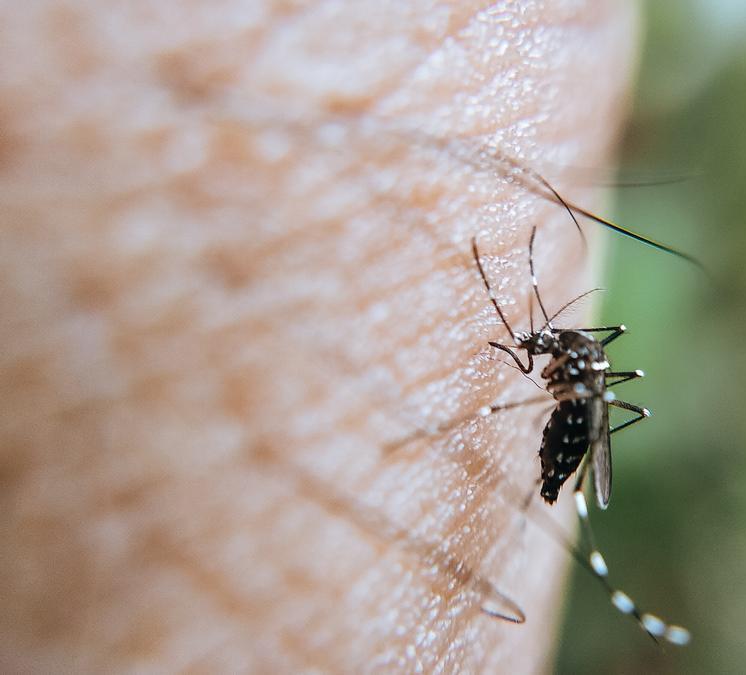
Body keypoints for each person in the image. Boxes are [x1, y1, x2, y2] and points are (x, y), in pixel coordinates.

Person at [0, 1, 638, 671]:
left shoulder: (573, 377)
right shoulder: (574, 355)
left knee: (549, 408)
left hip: (572, 417)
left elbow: (565, 379)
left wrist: (505, 400)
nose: (540, 347)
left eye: (548, 350)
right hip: (575, 403)